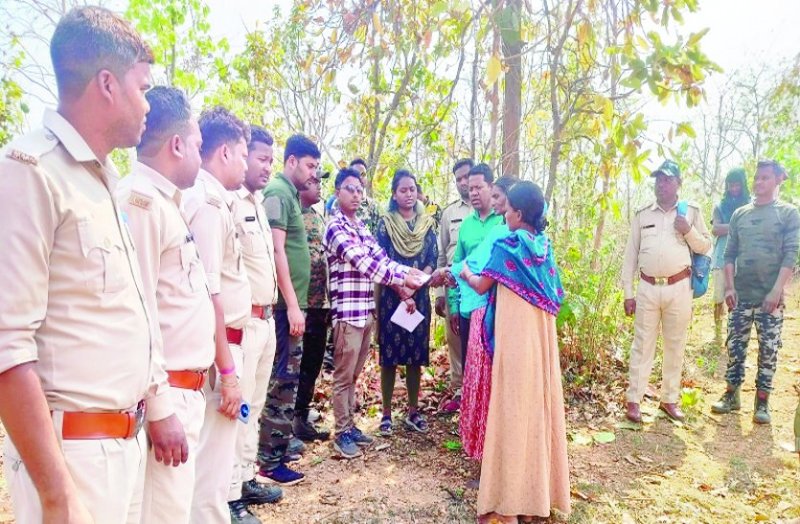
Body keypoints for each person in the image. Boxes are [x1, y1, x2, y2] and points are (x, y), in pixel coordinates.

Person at [0, 7, 154, 522]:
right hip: (76, 460)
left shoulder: (106, 183)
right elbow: (6, 345)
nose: (147, 103)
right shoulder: (30, 172)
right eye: (142, 87)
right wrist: (56, 492)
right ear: (107, 84)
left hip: (123, 449)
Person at [115, 86, 213, 524]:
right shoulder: (139, 202)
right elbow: (141, 312)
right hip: (166, 393)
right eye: (197, 145)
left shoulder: (165, 203)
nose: (200, 154)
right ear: (176, 145)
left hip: (185, 390)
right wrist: (160, 409)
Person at [460, 181, 570, 522]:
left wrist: (464, 270)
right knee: (536, 413)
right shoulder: (544, 248)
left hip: (514, 343)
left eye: (506, 209)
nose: (502, 213)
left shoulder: (507, 247)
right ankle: (536, 500)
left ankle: (507, 505)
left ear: (519, 214)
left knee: (510, 414)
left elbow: (480, 284)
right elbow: (556, 295)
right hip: (540, 347)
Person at [324, 168, 434, 458]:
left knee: (354, 375)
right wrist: (404, 279)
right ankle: (341, 432)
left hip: (365, 312)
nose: (356, 195)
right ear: (337, 192)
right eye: (350, 189)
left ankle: (350, 427)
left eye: (360, 190)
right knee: (343, 376)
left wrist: (412, 274)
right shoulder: (336, 227)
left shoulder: (360, 227)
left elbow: (382, 258)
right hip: (347, 313)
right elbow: (366, 265)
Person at [183, 106, 251, 523]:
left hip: (226, 344)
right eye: (243, 153)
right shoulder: (207, 204)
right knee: (210, 471)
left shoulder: (215, 201)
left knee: (214, 461)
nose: (246, 163)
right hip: (220, 347)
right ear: (223, 152)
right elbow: (208, 290)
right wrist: (226, 372)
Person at [621, 160, 712, 423]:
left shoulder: (691, 212)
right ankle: (634, 400)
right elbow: (630, 256)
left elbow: (705, 247)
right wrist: (628, 292)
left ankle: (669, 399)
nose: (661, 184)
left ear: (678, 183)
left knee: (675, 344)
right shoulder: (643, 215)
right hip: (648, 287)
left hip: (679, 287)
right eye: (658, 179)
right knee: (642, 344)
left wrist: (688, 230)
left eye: (667, 179)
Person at [711, 160, 800, 424]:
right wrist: (729, 286)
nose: (758, 182)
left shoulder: (788, 213)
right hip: (740, 294)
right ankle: (731, 395)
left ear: (777, 181)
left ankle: (762, 401)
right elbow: (729, 253)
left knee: (768, 350)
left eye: (764, 178)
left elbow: (791, 256)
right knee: (735, 347)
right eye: (757, 178)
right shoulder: (741, 214)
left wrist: (776, 291)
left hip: (770, 298)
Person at [227, 125, 283, 523]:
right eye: (261, 159)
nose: (267, 167)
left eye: (270, 160)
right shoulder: (226, 203)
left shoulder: (258, 204)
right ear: (242, 155)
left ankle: (246, 476)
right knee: (238, 408)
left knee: (255, 405)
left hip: (267, 319)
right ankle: (229, 496)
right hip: (243, 323)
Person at [258, 134, 320, 485]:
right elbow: (276, 251)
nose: (313, 174)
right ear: (292, 160)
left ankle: (277, 447)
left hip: (292, 304)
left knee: (289, 377)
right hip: (285, 307)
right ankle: (269, 459)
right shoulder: (279, 193)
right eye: (309, 166)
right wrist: (294, 306)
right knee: (283, 378)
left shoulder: (290, 195)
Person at [454, 175, 516, 460]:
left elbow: (480, 277)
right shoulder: (505, 233)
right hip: (487, 312)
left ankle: (492, 451)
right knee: (484, 379)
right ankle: (488, 447)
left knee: (490, 382)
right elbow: (468, 261)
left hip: (494, 315)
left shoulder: (508, 235)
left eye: (498, 196)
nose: (494, 201)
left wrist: (463, 273)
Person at [375, 170, 438, 436]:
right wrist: (401, 290)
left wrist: (415, 287)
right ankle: (387, 414)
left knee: (415, 356)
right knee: (389, 356)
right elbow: (379, 259)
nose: (409, 194)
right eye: (403, 190)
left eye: (412, 189)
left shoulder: (427, 224)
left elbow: (432, 259)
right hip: (391, 296)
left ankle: (413, 410)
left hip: (420, 296)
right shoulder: (385, 223)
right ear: (394, 194)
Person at [448, 163, 503, 376]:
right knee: (471, 366)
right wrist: (454, 304)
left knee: (494, 365)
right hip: (468, 308)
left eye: (479, 188)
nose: (473, 193)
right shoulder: (466, 226)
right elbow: (457, 267)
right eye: (471, 189)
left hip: (496, 307)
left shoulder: (504, 222)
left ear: (491, 187)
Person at [293, 169, 333, 442]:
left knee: (313, 362)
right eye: (314, 182)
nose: (319, 187)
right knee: (296, 365)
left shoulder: (318, 216)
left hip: (320, 303)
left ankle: (301, 415)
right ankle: (287, 422)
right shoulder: (291, 213)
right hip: (300, 304)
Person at [436, 158, 474, 412]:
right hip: (454, 284)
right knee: (455, 336)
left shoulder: (490, 207)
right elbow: (441, 253)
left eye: (466, 177)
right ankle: (460, 390)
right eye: (458, 179)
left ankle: (479, 387)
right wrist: (440, 293)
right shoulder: (449, 213)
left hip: (481, 284)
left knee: (479, 337)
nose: (462, 183)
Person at [711, 168, 750, 342]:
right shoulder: (720, 206)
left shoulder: (750, 204)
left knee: (736, 298)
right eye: (730, 185)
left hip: (743, 259)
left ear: (743, 185)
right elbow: (716, 229)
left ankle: (732, 333)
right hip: (721, 257)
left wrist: (728, 227)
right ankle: (717, 333)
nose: (733, 188)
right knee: (719, 296)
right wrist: (738, 226)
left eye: (737, 184)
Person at [327, 157, 381, 232]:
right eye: (356, 174)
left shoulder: (373, 207)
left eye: (363, 174)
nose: (360, 177)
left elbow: (376, 237)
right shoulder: (338, 203)